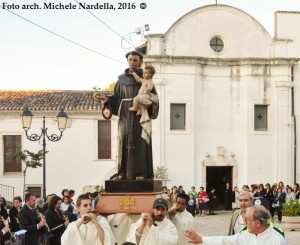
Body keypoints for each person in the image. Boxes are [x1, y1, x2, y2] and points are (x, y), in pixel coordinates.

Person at [99, 50, 159, 180]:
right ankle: (122, 173)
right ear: (127, 61)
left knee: (140, 142)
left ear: (140, 62)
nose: (132, 62)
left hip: (139, 114)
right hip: (125, 114)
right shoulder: (121, 80)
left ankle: (140, 173)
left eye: (135, 60)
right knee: (124, 140)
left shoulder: (145, 78)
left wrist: (148, 103)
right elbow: (115, 97)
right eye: (130, 59)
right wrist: (106, 100)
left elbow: (155, 97)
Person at [184, 205, 287, 244]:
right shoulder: (247, 235)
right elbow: (225, 240)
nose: (244, 223)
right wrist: (201, 239)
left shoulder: (277, 241)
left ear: (258, 223)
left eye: (247, 220)